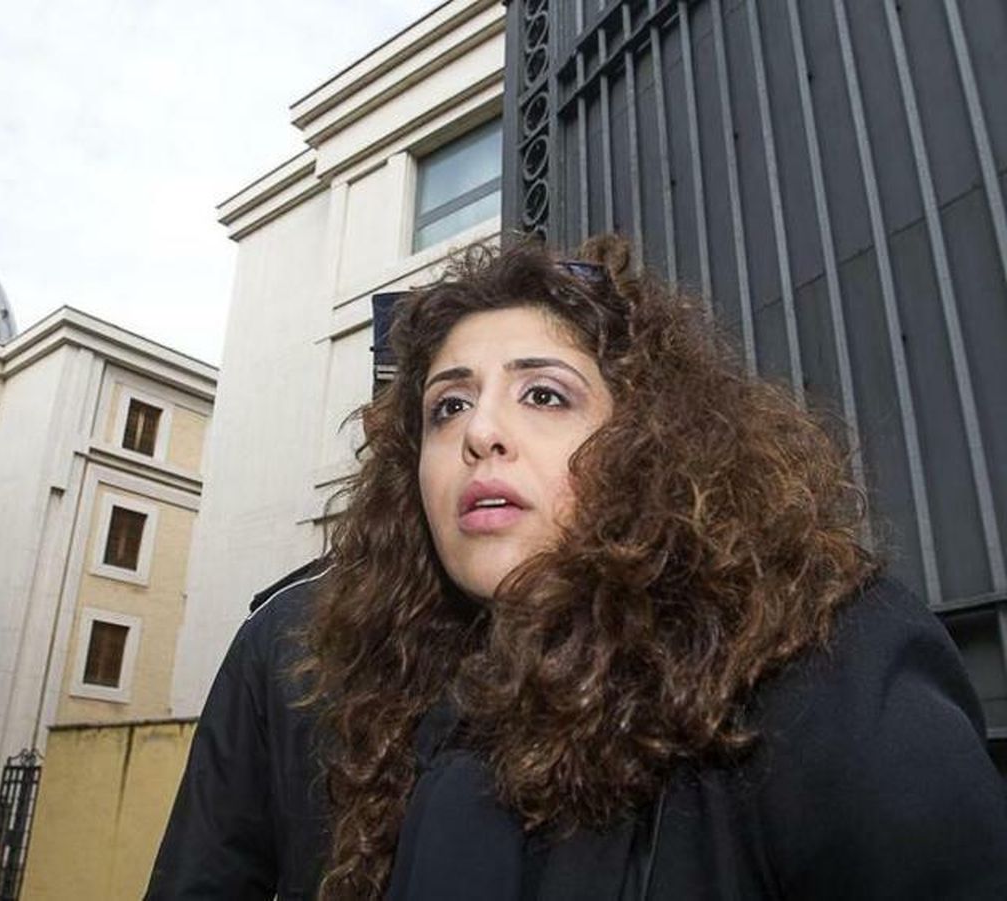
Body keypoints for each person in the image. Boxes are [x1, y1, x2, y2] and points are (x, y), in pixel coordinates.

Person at [148, 234, 1007, 900]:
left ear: (651, 442)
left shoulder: (826, 662)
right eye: (448, 406)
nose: (480, 430)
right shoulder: (377, 691)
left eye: (544, 394)